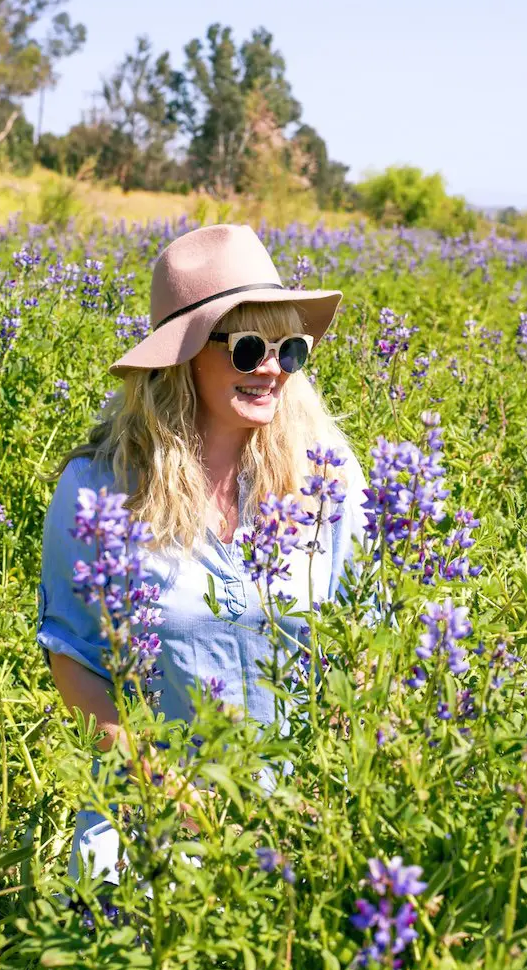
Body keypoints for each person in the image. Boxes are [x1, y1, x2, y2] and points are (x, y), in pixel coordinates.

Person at [36, 223, 368, 881]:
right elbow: (74, 660)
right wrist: (171, 794)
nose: (272, 367)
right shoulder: (98, 486)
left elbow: (361, 642)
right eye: (248, 347)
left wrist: (334, 786)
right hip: (153, 810)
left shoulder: (328, 477)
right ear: (183, 355)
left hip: (301, 810)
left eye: (290, 349)